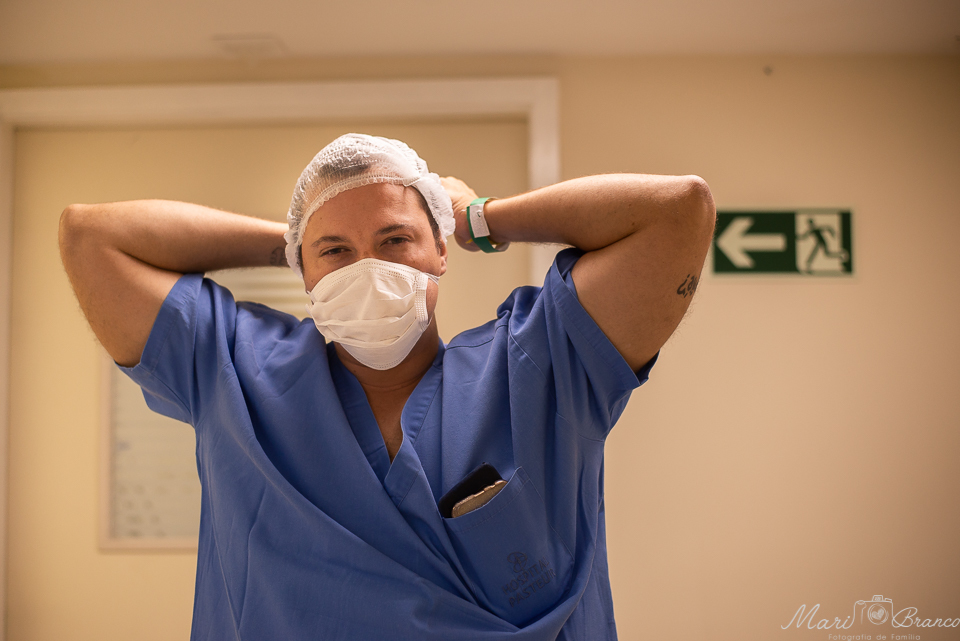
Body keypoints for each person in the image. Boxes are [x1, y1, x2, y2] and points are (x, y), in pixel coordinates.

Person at [59, 133, 716, 640]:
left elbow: (678, 212)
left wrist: (481, 215)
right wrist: (292, 237)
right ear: (304, 273)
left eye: (395, 238)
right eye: (335, 252)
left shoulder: (537, 364)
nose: (366, 268)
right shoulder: (237, 372)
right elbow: (91, 238)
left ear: (440, 251)